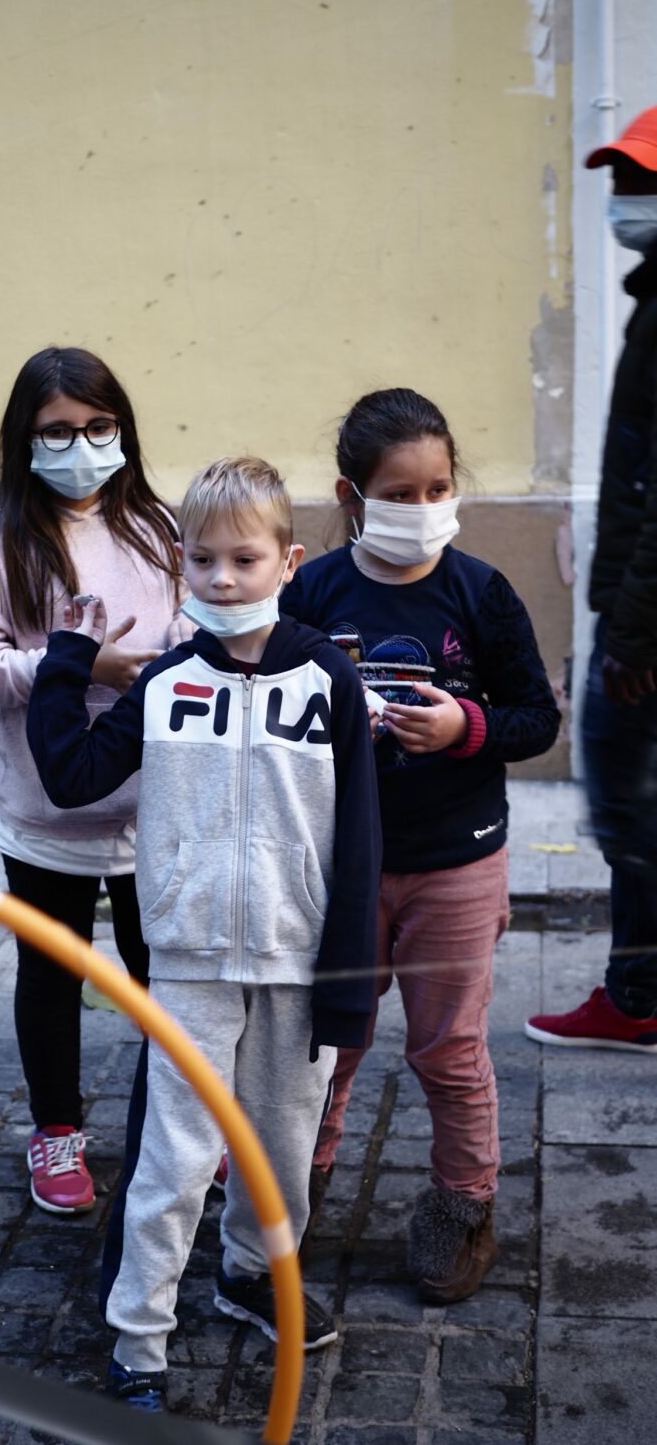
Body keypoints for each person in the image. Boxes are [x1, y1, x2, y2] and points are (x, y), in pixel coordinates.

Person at [27, 457, 381, 1411]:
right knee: (174, 1159)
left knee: (282, 1153)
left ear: (288, 562)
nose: (222, 579)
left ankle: (250, 1275)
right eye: (202, 560)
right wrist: (68, 659)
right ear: (180, 564)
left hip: (299, 963)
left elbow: (359, 841)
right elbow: (71, 775)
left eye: (244, 559)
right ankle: (139, 1341)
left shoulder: (331, 680)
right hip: (187, 964)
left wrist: (348, 982)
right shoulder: (167, 681)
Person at [282, 389, 560, 1304]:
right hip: (344, 864)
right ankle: (295, 1184)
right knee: (326, 1042)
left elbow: (535, 719)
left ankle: (463, 1205)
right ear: (352, 495)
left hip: (457, 863)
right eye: (400, 494)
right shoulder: (313, 592)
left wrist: (464, 727)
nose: (424, 507)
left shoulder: (482, 592)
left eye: (438, 488)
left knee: (449, 1050)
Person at [0, 345, 185, 1216]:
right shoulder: (0, 542)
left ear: (122, 428)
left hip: (155, 805)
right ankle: (55, 1132)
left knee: (165, 977)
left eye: (97, 426)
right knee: (51, 977)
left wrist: (161, 663)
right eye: (57, 431)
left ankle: (180, 1126)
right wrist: (73, 663)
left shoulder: (158, 527)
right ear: (25, 438)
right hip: (44, 812)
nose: (80, 446)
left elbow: (195, 630)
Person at [525, 106, 657, 1054]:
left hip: (644, 619)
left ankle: (638, 996)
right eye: (621, 181)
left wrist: (634, 629)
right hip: (636, 606)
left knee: (626, 802)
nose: (625, 200)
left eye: (642, 183)